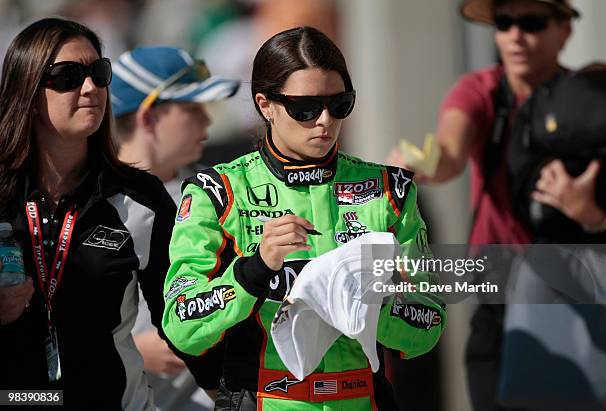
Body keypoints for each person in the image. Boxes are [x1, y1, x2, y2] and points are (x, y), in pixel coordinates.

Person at [162, 26, 446, 410]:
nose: (325, 121)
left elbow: (428, 323)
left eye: (339, 104)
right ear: (265, 105)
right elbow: (182, 326)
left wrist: (368, 304)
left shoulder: (389, 191)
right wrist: (254, 270)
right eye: (306, 108)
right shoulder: (219, 192)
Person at [386, 1, 604, 410]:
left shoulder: (591, 99)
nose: (516, 36)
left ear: (565, 31)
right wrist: (423, 165)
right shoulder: (481, 89)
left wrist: (592, 214)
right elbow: (450, 149)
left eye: (532, 23)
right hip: (498, 290)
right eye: (505, 24)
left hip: (574, 292)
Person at [0, 17, 208, 410]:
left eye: (98, 72)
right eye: (68, 76)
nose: (91, 88)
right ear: (27, 89)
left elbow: (184, 321)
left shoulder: (142, 197)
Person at [111, 45, 240, 410]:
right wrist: (133, 352)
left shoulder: (213, 195)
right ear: (148, 117)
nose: (208, 122)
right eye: (192, 108)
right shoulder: (95, 205)